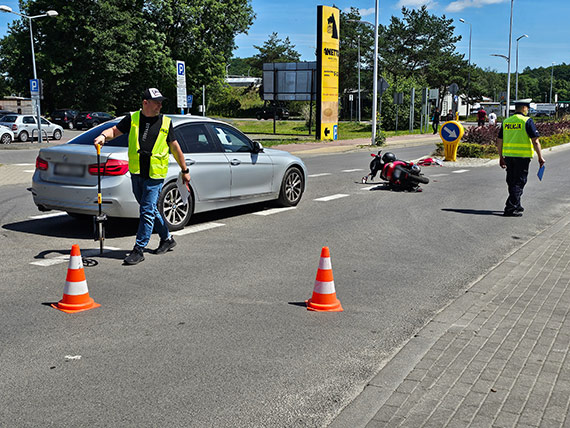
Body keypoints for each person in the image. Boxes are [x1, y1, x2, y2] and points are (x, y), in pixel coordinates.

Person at [94, 88, 191, 265]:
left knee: (146, 209)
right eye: (156, 102)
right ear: (145, 102)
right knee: (150, 208)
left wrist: (185, 170)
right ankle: (167, 239)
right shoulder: (133, 118)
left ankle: (139, 249)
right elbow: (115, 131)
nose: (160, 105)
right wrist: (102, 136)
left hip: (155, 173)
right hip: (137, 172)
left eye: (161, 102)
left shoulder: (165, 122)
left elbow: (175, 148)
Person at [496, 99, 545, 217]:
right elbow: (535, 141)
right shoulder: (527, 121)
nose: (528, 110)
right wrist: (540, 157)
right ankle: (510, 208)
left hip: (508, 156)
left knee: (512, 181)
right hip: (522, 157)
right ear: (524, 108)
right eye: (527, 108)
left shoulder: (506, 121)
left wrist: (500, 157)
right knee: (519, 182)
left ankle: (517, 205)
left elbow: (499, 141)